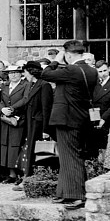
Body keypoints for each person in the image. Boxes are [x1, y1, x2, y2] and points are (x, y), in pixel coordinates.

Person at [42, 41, 98, 209]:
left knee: (71, 156)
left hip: (68, 119)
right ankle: (64, 192)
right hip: (81, 118)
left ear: (68, 54)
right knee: (67, 156)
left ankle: (77, 195)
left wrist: (55, 60)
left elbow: (46, 73)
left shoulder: (71, 70)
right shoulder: (91, 70)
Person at [17, 61, 54, 183]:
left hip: (38, 124)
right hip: (29, 122)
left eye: (25, 72)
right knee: (29, 150)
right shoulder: (30, 85)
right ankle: (27, 178)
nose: (24, 75)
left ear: (31, 72)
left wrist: (46, 129)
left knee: (35, 151)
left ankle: (30, 179)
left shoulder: (44, 85)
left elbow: (46, 109)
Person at [0, 65, 29, 184]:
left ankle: (20, 175)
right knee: (6, 145)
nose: (14, 75)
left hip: (19, 119)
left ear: (21, 73)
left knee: (17, 145)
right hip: (6, 120)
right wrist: (2, 109)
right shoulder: (5, 86)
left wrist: (12, 108)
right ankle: (11, 174)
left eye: (16, 72)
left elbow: (25, 99)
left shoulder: (25, 85)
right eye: (11, 73)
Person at [92, 60, 110, 161]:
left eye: (105, 70)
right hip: (95, 117)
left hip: (108, 118)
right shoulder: (94, 84)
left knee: (106, 145)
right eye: (100, 72)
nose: (103, 74)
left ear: (109, 69)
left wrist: (104, 118)